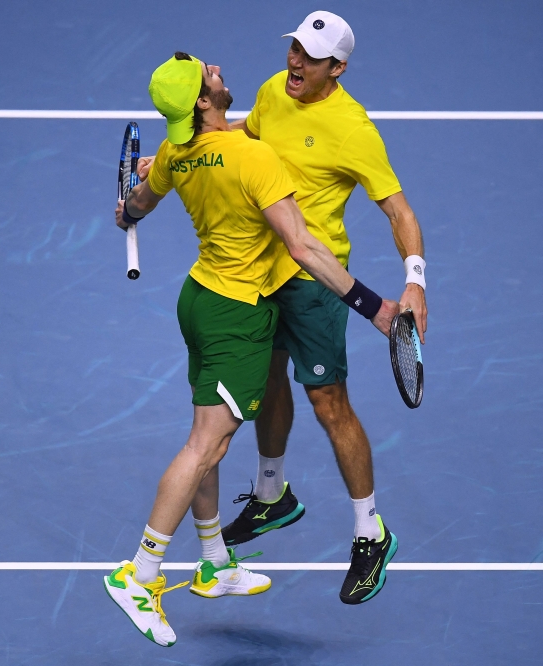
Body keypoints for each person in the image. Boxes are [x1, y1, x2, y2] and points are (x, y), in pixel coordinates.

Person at [104, 52, 398, 647]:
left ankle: (214, 562)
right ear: (203, 100)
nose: (217, 70)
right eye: (209, 73)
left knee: (209, 437)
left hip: (199, 300)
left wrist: (125, 209)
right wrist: (373, 307)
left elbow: (137, 205)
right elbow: (304, 247)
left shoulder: (176, 152)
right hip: (236, 314)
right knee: (205, 447)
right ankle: (139, 574)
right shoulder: (252, 158)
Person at [142, 11, 429, 606]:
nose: (295, 61)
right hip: (258, 273)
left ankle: (371, 532)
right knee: (269, 382)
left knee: (329, 403)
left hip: (317, 280)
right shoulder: (276, 88)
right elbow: (246, 134)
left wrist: (415, 279)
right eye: (294, 47)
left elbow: (399, 210)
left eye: (310, 56)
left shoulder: (353, 130)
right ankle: (273, 496)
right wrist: (182, 152)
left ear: (337, 68)